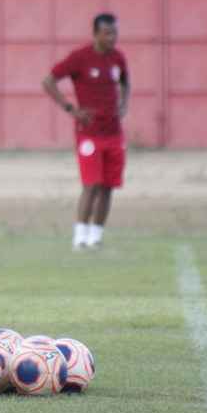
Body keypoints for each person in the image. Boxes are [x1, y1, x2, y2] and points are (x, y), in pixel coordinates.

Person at [42, 13, 130, 251]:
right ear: (95, 34)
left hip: (114, 132)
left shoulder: (118, 58)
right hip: (89, 132)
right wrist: (70, 109)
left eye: (114, 33)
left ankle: (95, 238)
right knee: (91, 184)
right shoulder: (80, 58)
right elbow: (48, 80)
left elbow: (125, 81)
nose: (111, 38)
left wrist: (124, 104)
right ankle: (79, 238)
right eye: (106, 33)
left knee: (108, 186)